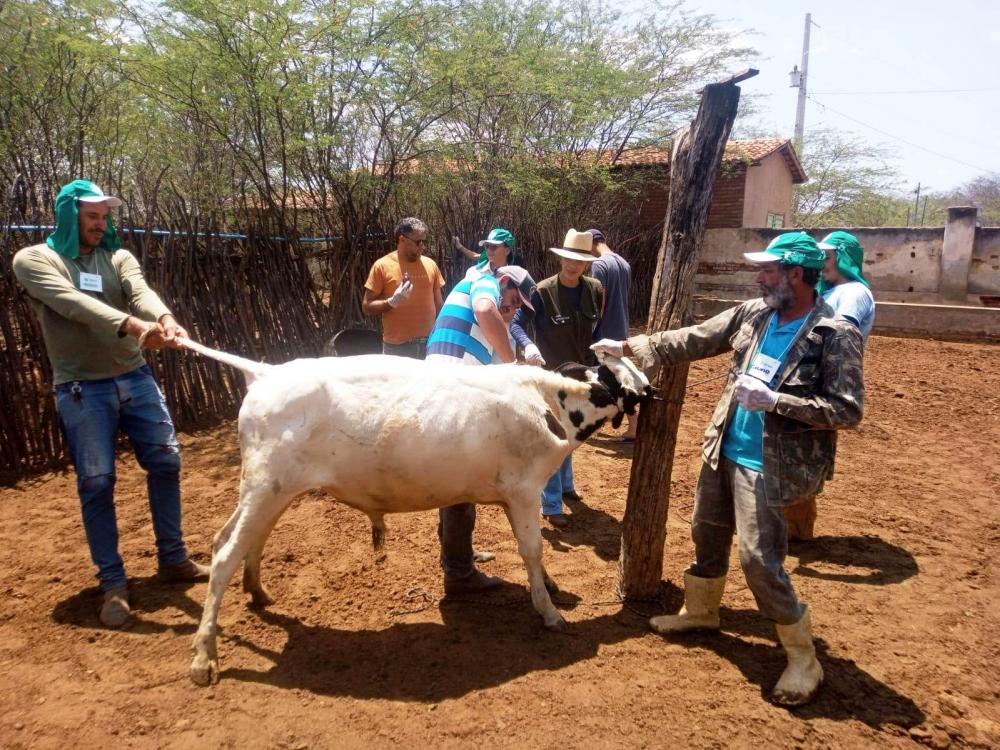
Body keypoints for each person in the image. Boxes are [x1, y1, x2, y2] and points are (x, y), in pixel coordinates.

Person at [592, 231, 864, 706]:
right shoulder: (755, 314)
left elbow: (847, 409)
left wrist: (778, 400)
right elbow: (695, 339)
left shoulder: (834, 334)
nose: (758, 278)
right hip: (725, 447)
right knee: (706, 532)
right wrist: (631, 346)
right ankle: (701, 612)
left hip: (773, 467)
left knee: (759, 559)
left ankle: (803, 657)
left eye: (767, 271)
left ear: (795, 275)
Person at [12, 180, 208, 629]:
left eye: (105, 216)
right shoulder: (36, 260)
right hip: (83, 388)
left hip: (134, 378)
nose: (101, 224)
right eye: (92, 216)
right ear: (68, 216)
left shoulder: (117, 256)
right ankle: (114, 584)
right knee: (97, 482)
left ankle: (173, 560)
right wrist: (135, 327)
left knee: (166, 462)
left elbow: (139, 290)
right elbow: (73, 303)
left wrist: (165, 318)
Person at [426, 265, 539, 592]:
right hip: (450, 396)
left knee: (458, 486)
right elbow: (485, 308)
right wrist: (511, 364)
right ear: (504, 283)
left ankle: (456, 554)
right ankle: (459, 573)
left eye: (519, 307)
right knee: (461, 487)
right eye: (515, 300)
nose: (513, 309)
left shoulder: (488, 325)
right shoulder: (484, 283)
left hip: (450, 393)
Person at [781, 231, 875, 541]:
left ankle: (796, 533)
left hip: (819, 385)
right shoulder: (834, 291)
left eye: (830, 257)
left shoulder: (853, 294)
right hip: (802, 380)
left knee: (802, 457)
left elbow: (830, 336)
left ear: (845, 258)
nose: (824, 264)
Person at [510, 229, 604, 529]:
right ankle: (551, 505)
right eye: (567, 258)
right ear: (560, 258)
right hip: (551, 377)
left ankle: (566, 486)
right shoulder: (542, 291)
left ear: (587, 263)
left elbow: (597, 331)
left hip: (583, 376)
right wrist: (529, 345)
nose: (572, 265)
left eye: (579, 260)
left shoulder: (595, 289)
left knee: (573, 433)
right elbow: (516, 325)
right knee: (554, 439)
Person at [362, 217, 445, 359]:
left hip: (430, 344)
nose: (422, 246)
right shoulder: (382, 266)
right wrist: (391, 302)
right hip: (398, 348)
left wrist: (443, 333)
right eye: (418, 242)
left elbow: (439, 305)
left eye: (424, 242)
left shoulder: (430, 265)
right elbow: (367, 307)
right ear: (402, 239)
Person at [588, 228, 636, 440]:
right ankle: (630, 425)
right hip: (622, 329)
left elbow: (601, 301)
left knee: (611, 379)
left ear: (591, 243)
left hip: (605, 332)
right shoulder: (624, 263)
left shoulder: (599, 265)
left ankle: (633, 426)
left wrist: (591, 330)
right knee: (619, 376)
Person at [453, 227, 519, 277]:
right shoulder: (473, 273)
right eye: (487, 246)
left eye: (493, 247)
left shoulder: (515, 277)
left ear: (507, 251)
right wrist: (460, 247)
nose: (488, 250)